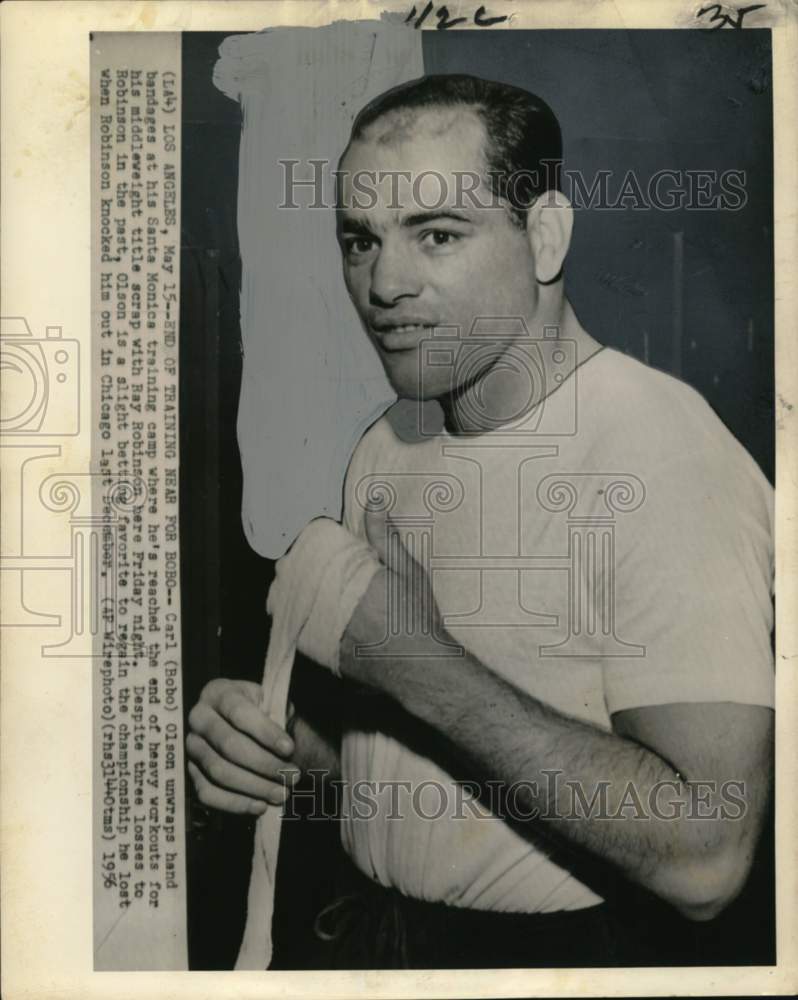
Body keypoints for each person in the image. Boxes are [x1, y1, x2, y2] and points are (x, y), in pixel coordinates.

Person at [186, 75, 774, 968]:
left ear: (544, 237)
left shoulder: (665, 454)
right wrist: (274, 747)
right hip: (370, 942)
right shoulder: (389, 446)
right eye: (360, 240)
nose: (384, 283)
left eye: (437, 235)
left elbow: (707, 858)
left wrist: (414, 661)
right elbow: (408, 777)